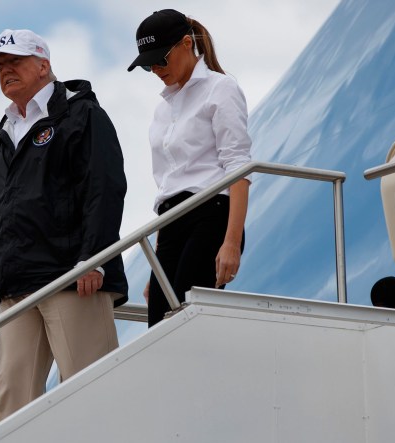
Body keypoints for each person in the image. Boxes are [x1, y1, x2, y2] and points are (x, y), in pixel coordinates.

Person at [0, 29, 128, 422]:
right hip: (16, 286)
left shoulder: (82, 115)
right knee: (13, 403)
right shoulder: (1, 138)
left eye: (14, 62)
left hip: (73, 277)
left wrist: (94, 259)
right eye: (0, 66)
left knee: (90, 395)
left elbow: (104, 188)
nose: (5, 71)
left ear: (43, 65)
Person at [128, 10, 252, 327]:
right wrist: (159, 265)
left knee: (186, 321)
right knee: (158, 322)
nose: (155, 69)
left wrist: (232, 242)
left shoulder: (220, 88)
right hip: (171, 224)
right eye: (147, 64)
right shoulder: (162, 108)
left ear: (186, 44)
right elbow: (168, 185)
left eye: (160, 59)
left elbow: (238, 166)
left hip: (211, 213)